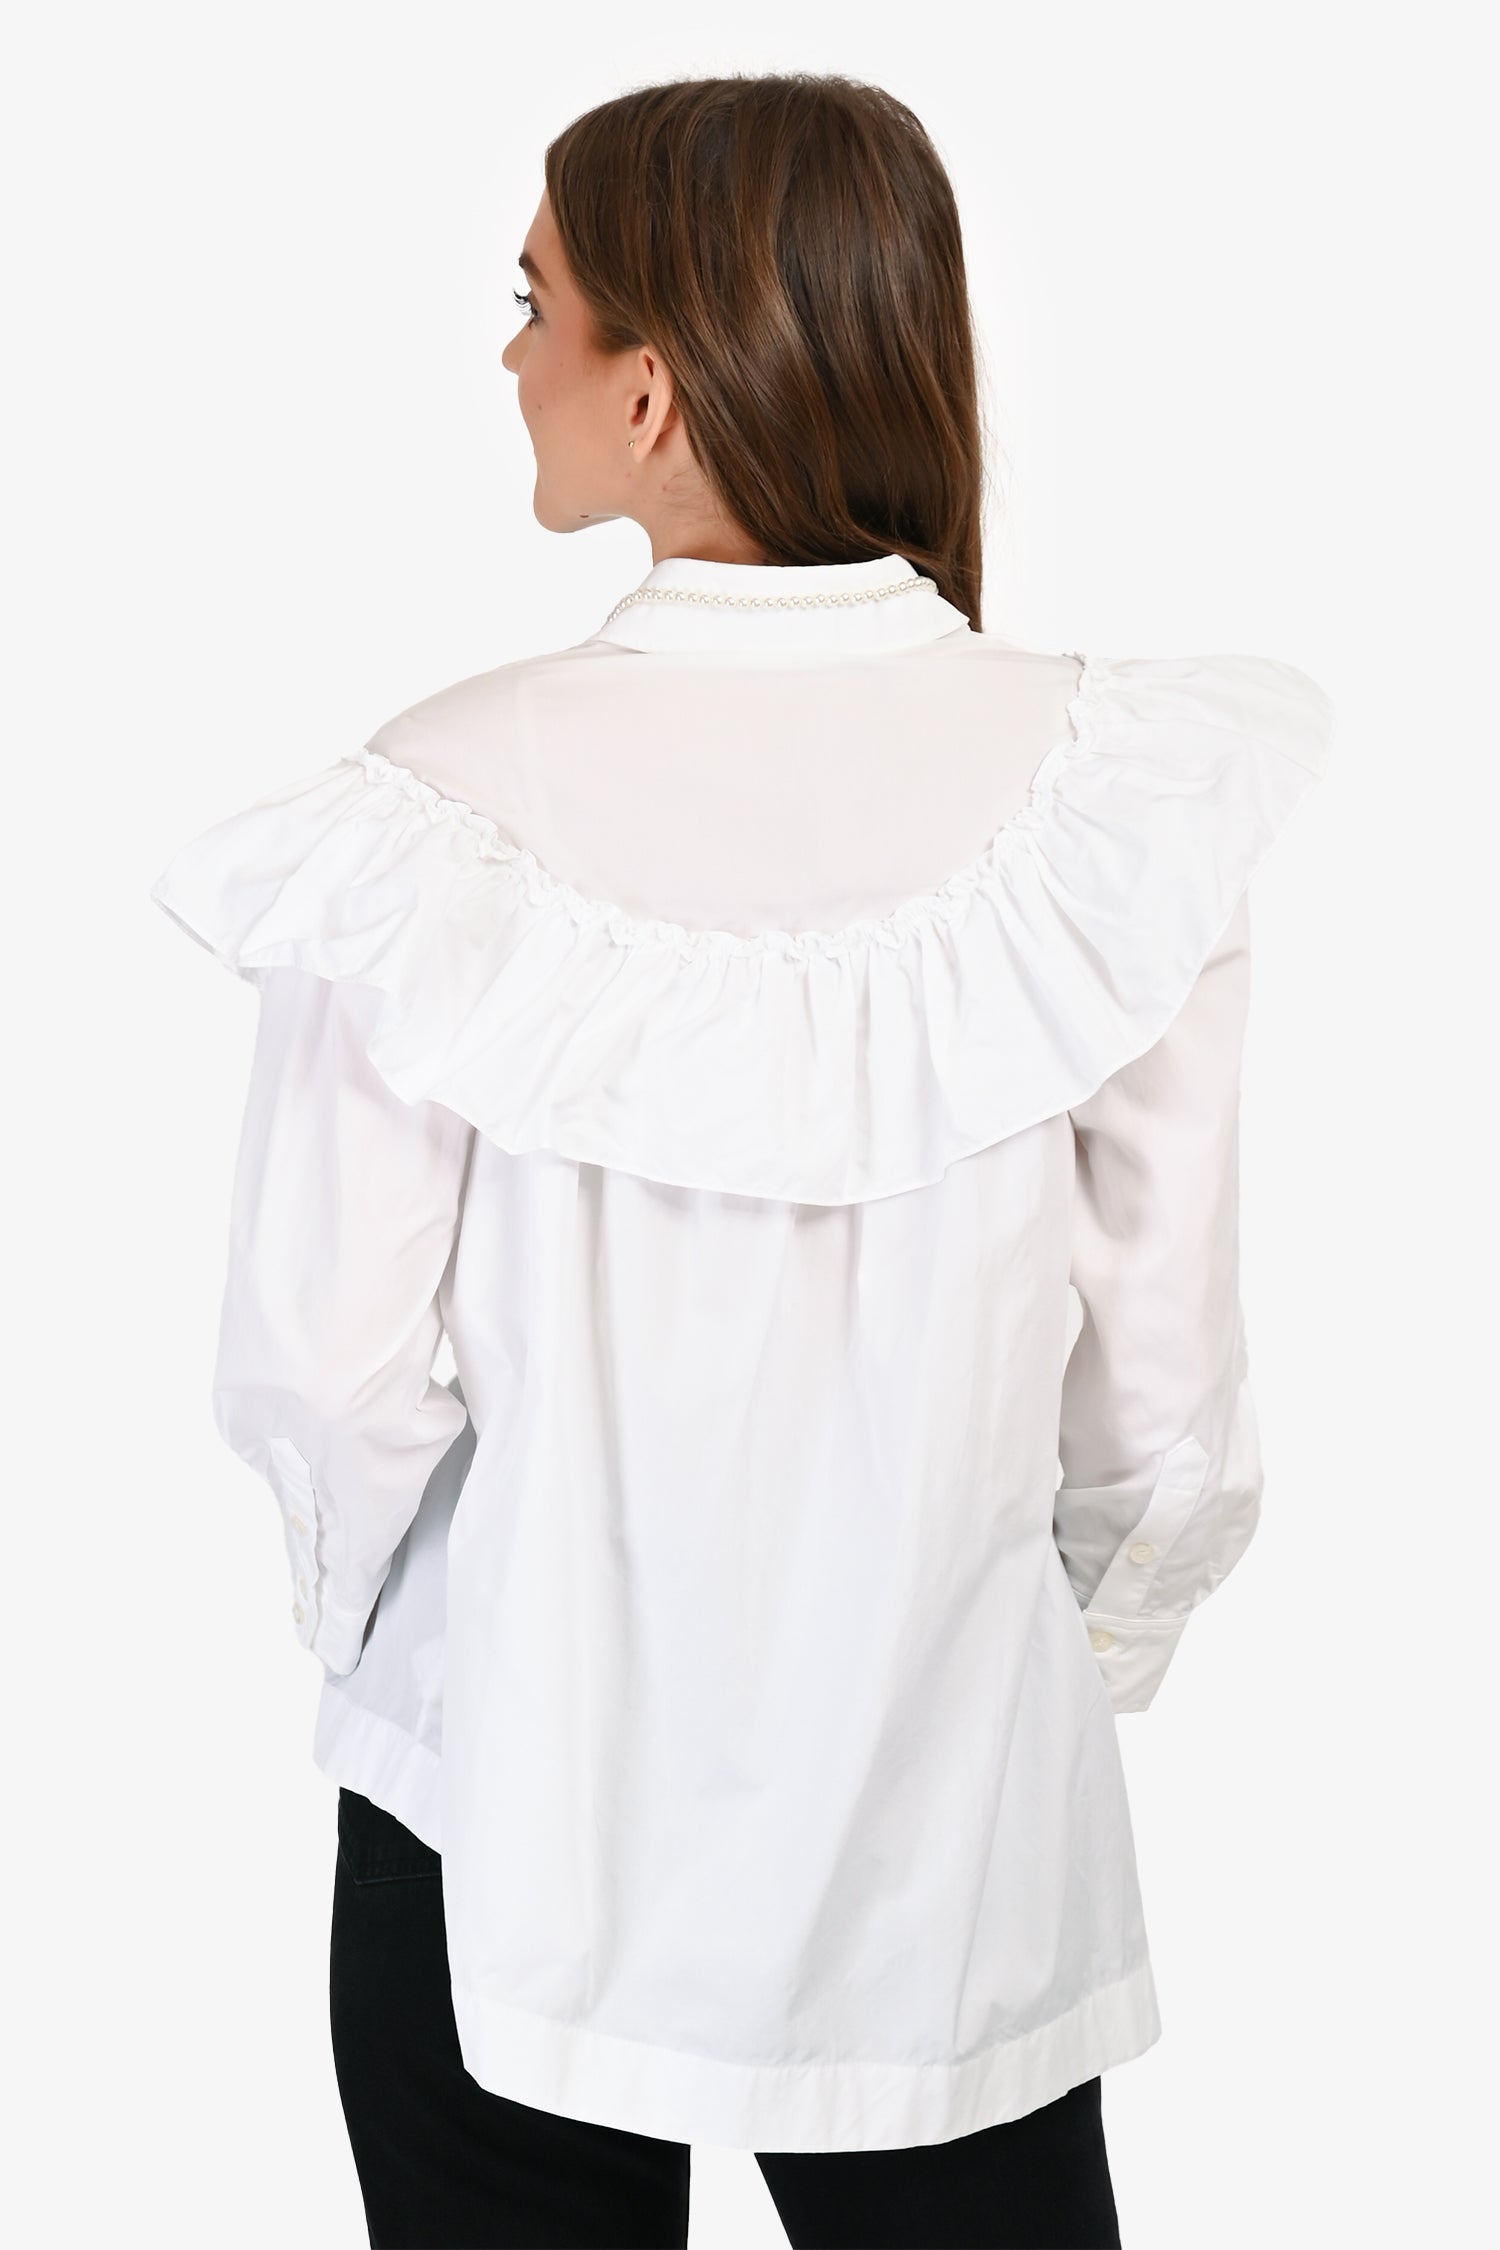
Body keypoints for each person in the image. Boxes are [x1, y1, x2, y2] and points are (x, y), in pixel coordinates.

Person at [149, 70, 1334, 2250]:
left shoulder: (432, 810)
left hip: (490, 1805)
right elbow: (1161, 1411)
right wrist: (1017, 1657)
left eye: (536, 302)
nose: (511, 352)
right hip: (948, 1834)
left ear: (655, 391)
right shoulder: (1113, 798)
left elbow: (326, 1372)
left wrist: (428, 1624)